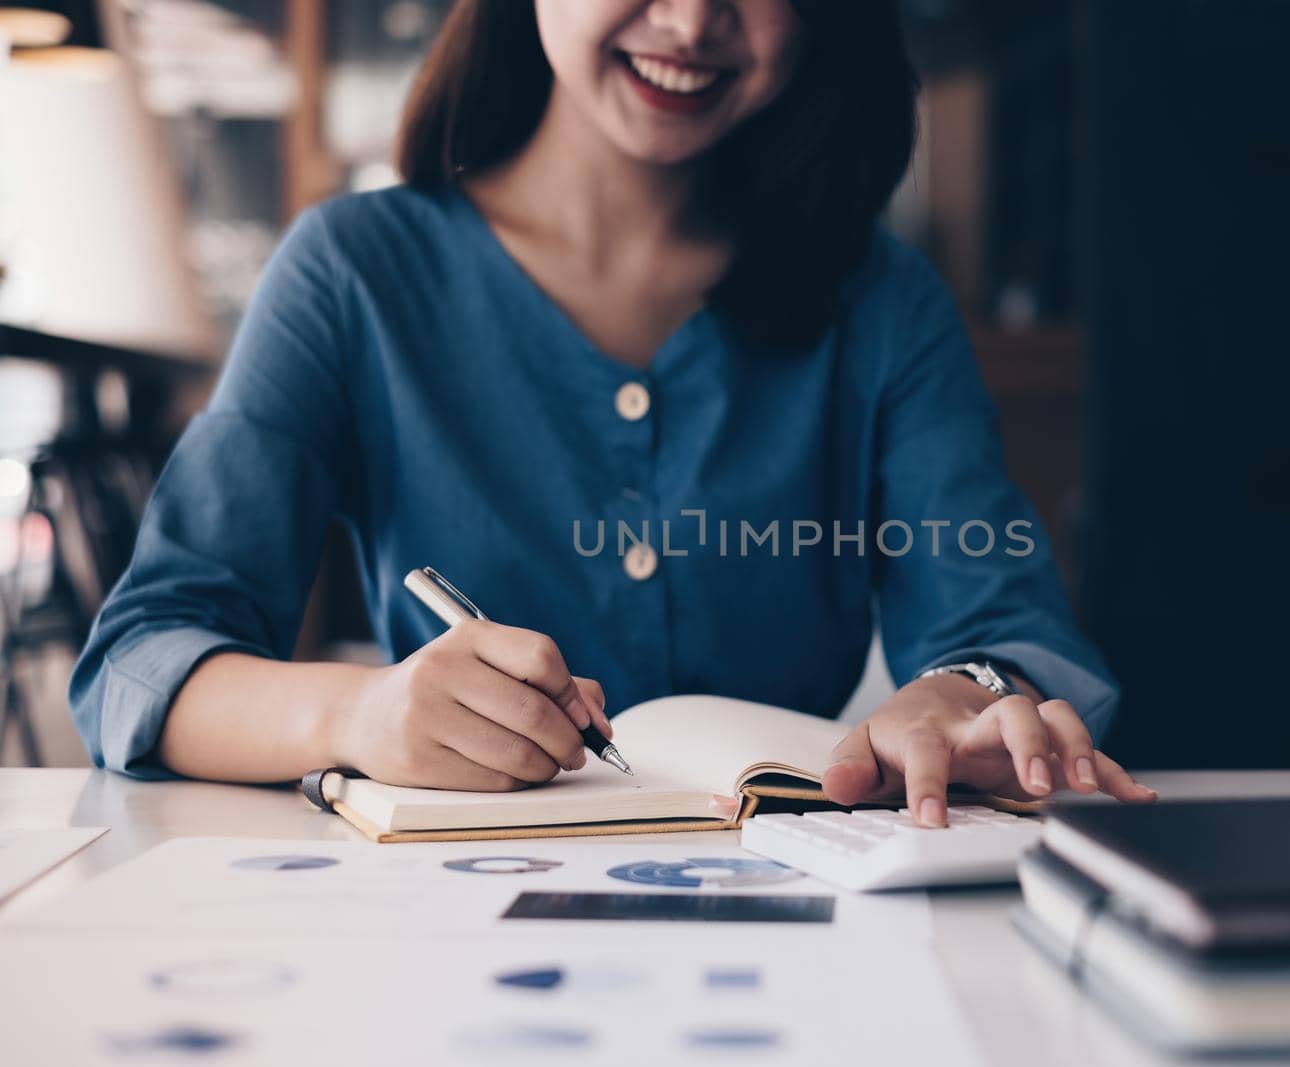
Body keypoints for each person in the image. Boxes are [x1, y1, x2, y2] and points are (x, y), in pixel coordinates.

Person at [69, 0, 1155, 826]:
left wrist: (958, 694)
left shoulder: (882, 300)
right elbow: (144, 658)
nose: (690, 22)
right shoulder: (353, 273)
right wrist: (358, 714)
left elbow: (1008, 627)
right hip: (438, 920)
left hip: (802, 915)